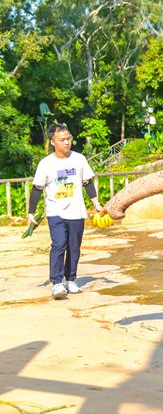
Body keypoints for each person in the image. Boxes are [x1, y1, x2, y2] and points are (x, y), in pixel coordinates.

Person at [27, 124, 105, 299]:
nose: (67, 142)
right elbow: (37, 188)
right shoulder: (46, 163)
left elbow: (87, 183)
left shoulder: (79, 159)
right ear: (53, 142)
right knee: (59, 244)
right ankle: (56, 283)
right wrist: (30, 213)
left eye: (68, 138)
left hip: (77, 210)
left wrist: (96, 204)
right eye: (62, 139)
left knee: (74, 247)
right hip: (55, 211)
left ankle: (70, 280)